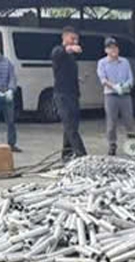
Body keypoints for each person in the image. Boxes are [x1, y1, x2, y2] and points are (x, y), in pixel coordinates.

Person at [51, 26, 87, 162]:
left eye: (77, 39)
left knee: (72, 126)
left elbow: (65, 72)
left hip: (73, 94)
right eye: (72, 38)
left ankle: (66, 155)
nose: (75, 41)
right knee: (70, 125)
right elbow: (59, 53)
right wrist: (70, 48)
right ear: (64, 37)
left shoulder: (71, 57)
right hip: (62, 95)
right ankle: (82, 155)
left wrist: (78, 79)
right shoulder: (58, 50)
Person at [97, 37, 135, 156]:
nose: (113, 50)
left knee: (129, 120)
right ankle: (112, 145)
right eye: (110, 48)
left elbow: (130, 78)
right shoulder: (102, 63)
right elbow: (103, 79)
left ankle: (133, 144)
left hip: (125, 94)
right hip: (111, 95)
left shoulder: (125, 61)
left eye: (115, 47)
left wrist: (126, 86)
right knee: (111, 122)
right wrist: (114, 87)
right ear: (106, 50)